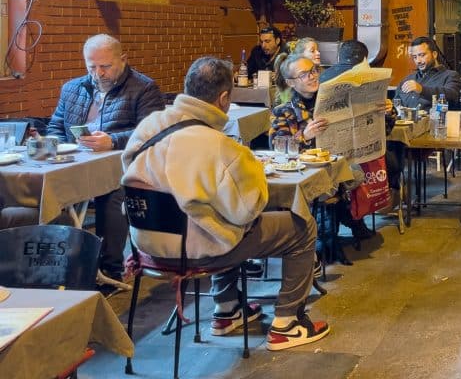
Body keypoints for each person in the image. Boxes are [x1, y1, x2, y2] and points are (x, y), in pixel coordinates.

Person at [122, 57, 329, 351]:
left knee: (214, 213)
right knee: (301, 225)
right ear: (223, 98)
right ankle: (287, 324)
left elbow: (129, 173)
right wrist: (253, 172)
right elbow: (250, 207)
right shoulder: (217, 144)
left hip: (145, 246)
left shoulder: (149, 126)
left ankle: (227, 309)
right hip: (196, 252)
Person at [47, 34, 164, 280]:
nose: (98, 73)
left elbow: (152, 132)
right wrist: (55, 144)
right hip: (75, 163)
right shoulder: (72, 88)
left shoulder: (144, 88)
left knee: (112, 193)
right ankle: (59, 265)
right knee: (46, 192)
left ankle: (110, 268)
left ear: (123, 59)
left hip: (122, 166)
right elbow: (56, 125)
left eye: (105, 66)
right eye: (91, 67)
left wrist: (113, 140)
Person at [270, 53, 373, 241]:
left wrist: (379, 112)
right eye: (304, 74)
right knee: (329, 187)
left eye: (314, 70)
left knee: (354, 173)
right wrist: (305, 135)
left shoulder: (334, 99)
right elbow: (278, 148)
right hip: (306, 171)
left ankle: (343, 217)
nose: (312, 76)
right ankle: (345, 218)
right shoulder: (283, 111)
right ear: (291, 82)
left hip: (339, 162)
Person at [394, 36, 461, 110]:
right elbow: (396, 104)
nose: (418, 61)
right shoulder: (407, 80)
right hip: (405, 121)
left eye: (422, 55)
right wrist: (389, 109)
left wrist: (422, 90)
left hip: (435, 120)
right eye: (415, 57)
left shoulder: (450, 75)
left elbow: (452, 95)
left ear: (434, 54)